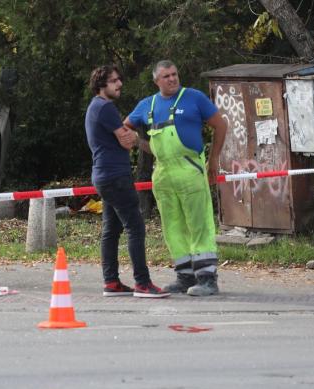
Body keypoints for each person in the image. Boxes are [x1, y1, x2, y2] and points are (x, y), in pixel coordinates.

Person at [124, 60, 227, 296]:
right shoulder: (146, 105)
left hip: (190, 171)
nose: (172, 79)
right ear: (156, 81)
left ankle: (207, 279)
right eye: (166, 76)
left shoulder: (193, 98)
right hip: (163, 175)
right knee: (173, 227)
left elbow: (220, 126)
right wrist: (138, 143)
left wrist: (213, 161)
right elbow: (124, 128)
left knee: (199, 225)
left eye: (174, 74)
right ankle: (185, 276)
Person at [84, 65, 170, 298]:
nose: (119, 84)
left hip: (103, 175)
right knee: (135, 227)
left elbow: (125, 137)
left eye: (119, 79)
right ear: (101, 85)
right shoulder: (105, 107)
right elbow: (126, 141)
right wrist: (140, 141)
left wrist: (131, 138)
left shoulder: (95, 107)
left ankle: (111, 282)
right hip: (115, 176)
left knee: (111, 230)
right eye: (114, 81)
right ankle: (143, 283)